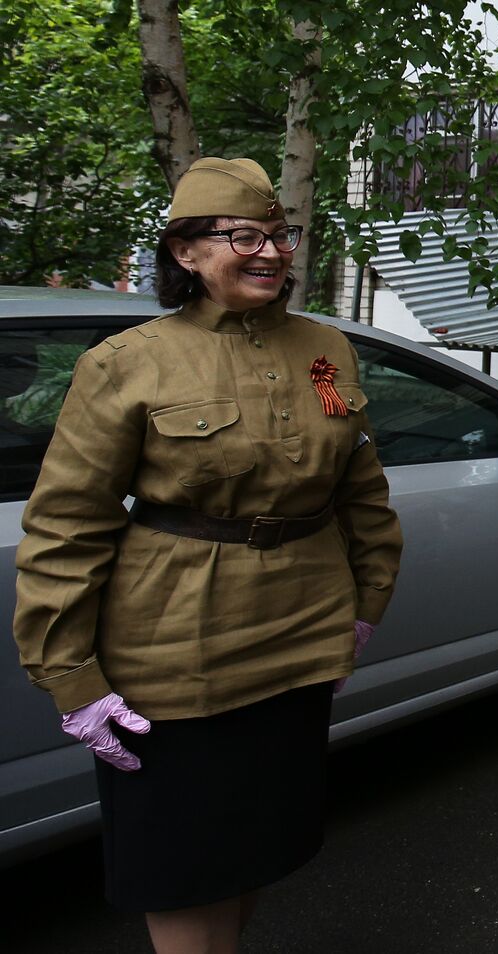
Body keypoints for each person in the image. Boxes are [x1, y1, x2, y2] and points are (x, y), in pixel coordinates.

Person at [12, 157, 403, 953]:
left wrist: (365, 603)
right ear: (185, 252)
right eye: (244, 236)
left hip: (297, 640)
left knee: (252, 849)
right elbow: (67, 525)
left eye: (282, 235)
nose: (271, 252)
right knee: (185, 870)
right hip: (173, 654)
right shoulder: (128, 362)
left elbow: (361, 489)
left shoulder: (326, 348)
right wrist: (71, 678)